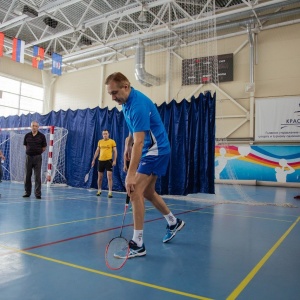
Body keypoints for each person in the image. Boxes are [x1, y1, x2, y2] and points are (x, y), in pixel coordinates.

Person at [105, 72, 185, 259]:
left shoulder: (138, 105)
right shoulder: (126, 104)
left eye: (115, 93)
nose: (113, 97)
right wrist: (127, 143)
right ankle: (173, 222)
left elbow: (140, 142)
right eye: (110, 94)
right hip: (153, 148)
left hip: (156, 149)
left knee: (134, 191)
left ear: (126, 86)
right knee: (147, 192)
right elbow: (134, 132)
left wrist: (131, 174)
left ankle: (138, 244)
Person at [23, 121, 47, 199]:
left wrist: (37, 152)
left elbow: (44, 148)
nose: (34, 127)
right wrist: (30, 151)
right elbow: (25, 146)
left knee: (37, 176)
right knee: (27, 176)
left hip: (37, 158)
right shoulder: (27, 135)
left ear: (38, 127)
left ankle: (37, 193)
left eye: (36, 126)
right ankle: (27, 192)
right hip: (28, 157)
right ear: (31, 127)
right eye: (33, 126)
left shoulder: (42, 136)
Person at [91, 129, 117, 198]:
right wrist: (93, 160)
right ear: (102, 135)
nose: (105, 135)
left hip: (108, 161)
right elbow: (97, 151)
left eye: (106, 134)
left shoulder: (112, 141)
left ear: (108, 134)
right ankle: (99, 190)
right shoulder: (100, 142)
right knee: (100, 177)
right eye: (103, 134)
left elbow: (115, 151)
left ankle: (110, 192)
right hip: (100, 161)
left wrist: (114, 160)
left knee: (109, 177)